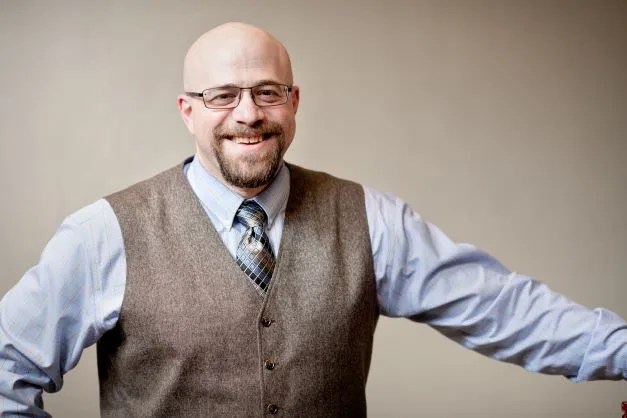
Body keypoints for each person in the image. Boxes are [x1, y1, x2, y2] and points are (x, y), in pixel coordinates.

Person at [0, 22, 625, 417]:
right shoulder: (106, 231)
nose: (248, 114)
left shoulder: (369, 219)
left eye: (268, 91)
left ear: (294, 103)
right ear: (188, 111)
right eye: (223, 96)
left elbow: (506, 310)